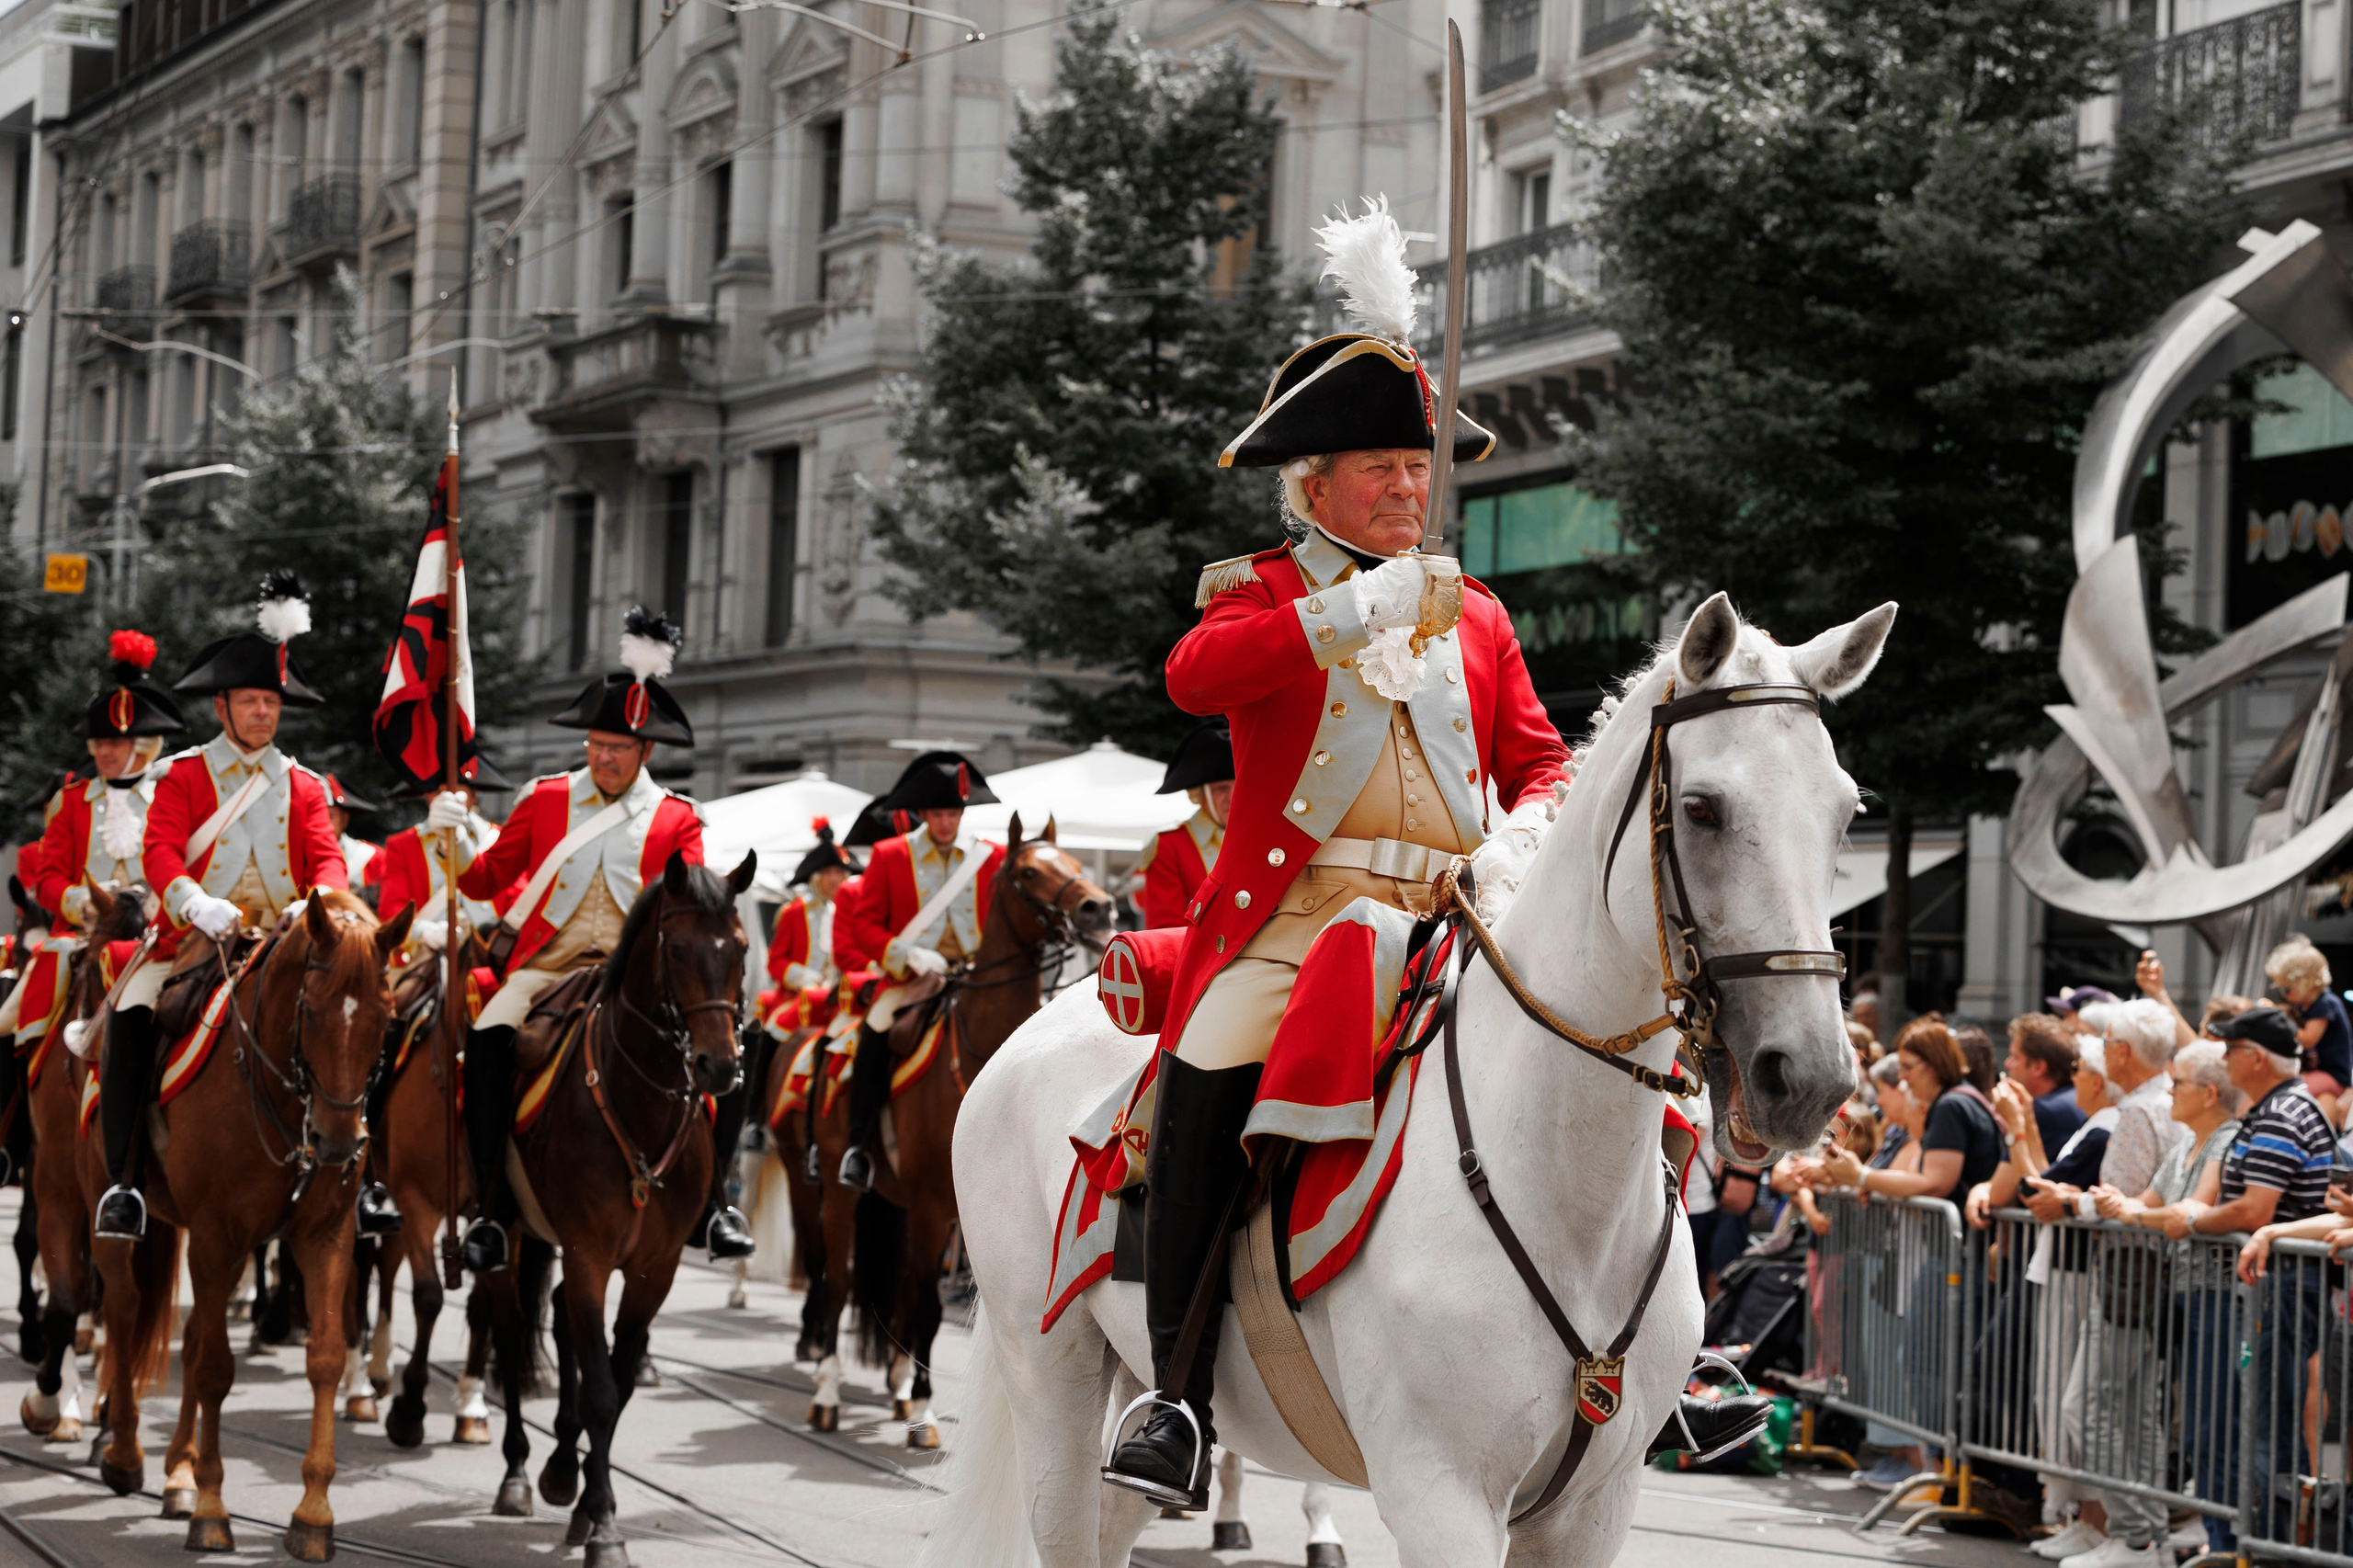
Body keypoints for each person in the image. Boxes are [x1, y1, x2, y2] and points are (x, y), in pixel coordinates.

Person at [1102, 199, 1608, 1511]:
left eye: (1417, 465)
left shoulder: (1481, 612)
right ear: (1312, 485)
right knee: (1203, 1079)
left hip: (1452, 914)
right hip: (1296, 927)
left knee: (1606, 1050)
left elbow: (1541, 757)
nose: (1409, 485)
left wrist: (1535, 829)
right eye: (1381, 466)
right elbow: (1193, 675)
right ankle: (1172, 1393)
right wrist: (1350, 609)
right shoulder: (1265, 592)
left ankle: (1645, 1328)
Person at [437, 608, 745, 1274]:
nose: (605, 757)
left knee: (724, 1058)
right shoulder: (544, 800)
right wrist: (457, 831)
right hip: (546, 970)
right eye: (597, 744)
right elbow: (487, 877)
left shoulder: (675, 817)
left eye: (620, 748)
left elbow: (691, 892)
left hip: (635, 979)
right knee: (489, 1042)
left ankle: (716, 1204)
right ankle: (490, 1208)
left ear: (646, 753)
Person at [99, 574, 350, 1240]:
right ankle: (123, 1182)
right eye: (250, 701)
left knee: (352, 1024)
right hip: (194, 940)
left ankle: (362, 1176)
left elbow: (327, 858)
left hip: (280, 938)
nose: (263, 713)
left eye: (271, 701)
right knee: (129, 1014)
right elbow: (159, 852)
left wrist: (315, 903)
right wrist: (191, 901)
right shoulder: (182, 774)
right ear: (222, 707)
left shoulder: (304, 784)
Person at [831, 752, 1006, 1193]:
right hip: (912, 978)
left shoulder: (991, 856)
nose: (946, 822)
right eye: (938, 814)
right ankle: (858, 1147)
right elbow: (863, 924)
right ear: (922, 814)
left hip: (976, 977)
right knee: (874, 1031)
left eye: (953, 813)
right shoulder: (892, 855)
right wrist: (905, 954)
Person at [2196, 1004, 2337, 1546]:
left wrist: (2195, 1219)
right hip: (2275, 1283)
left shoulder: (2282, 1112)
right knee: (2261, 1420)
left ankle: (2273, 1547)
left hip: (2279, 1286)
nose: (2224, 1059)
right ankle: (2269, 1544)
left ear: (2256, 1058)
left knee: (2266, 1425)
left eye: (2231, 1050)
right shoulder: (2278, 1107)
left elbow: (2254, 1210)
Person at [357, 767, 515, 1240]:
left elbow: (514, 900)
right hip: (426, 958)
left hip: (486, 959)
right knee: (385, 1026)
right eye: (444, 789)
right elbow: (393, 911)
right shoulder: (406, 843)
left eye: (462, 788)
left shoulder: (498, 840)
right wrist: (429, 932)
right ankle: (370, 1162)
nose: (454, 795)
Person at [26, 630, 188, 930]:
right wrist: (80, 901)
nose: (103, 752)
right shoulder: (72, 799)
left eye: (114, 743)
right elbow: (47, 880)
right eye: (98, 742)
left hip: (150, 933)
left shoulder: (170, 795)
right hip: (82, 933)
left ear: (141, 746)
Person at [1816, 1018, 2002, 1203]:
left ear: (1933, 1064)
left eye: (1907, 1067)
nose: (1902, 1076)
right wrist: (1875, 1184)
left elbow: (1934, 1184)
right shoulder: (1956, 1100)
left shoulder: (1951, 1105)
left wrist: (1861, 1176)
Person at [1137, 721, 1232, 929]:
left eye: (1240, 785)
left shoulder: (1261, 840)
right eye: (1221, 788)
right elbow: (1165, 931)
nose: (1233, 796)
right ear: (1199, 793)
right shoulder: (1170, 845)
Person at [2265, 935, 2351, 1101]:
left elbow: (2308, 1040)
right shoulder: (2305, 1004)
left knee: (2290, 1092)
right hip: (2316, 1071)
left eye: (2287, 989)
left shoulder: (2326, 1003)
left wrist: (2278, 1017)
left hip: (2334, 1075)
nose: (2284, 996)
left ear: (2305, 983)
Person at [2004, 1012, 2086, 1158]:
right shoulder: (2075, 1096)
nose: (2007, 1063)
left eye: (2015, 1057)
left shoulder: (2043, 1111)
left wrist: (2012, 1119)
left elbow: (2005, 1181)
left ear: (2038, 1067)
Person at [323, 775, 384, 888]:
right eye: (316, 817)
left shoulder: (373, 859)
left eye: (330, 817)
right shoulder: (291, 861)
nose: (323, 824)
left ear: (344, 820)